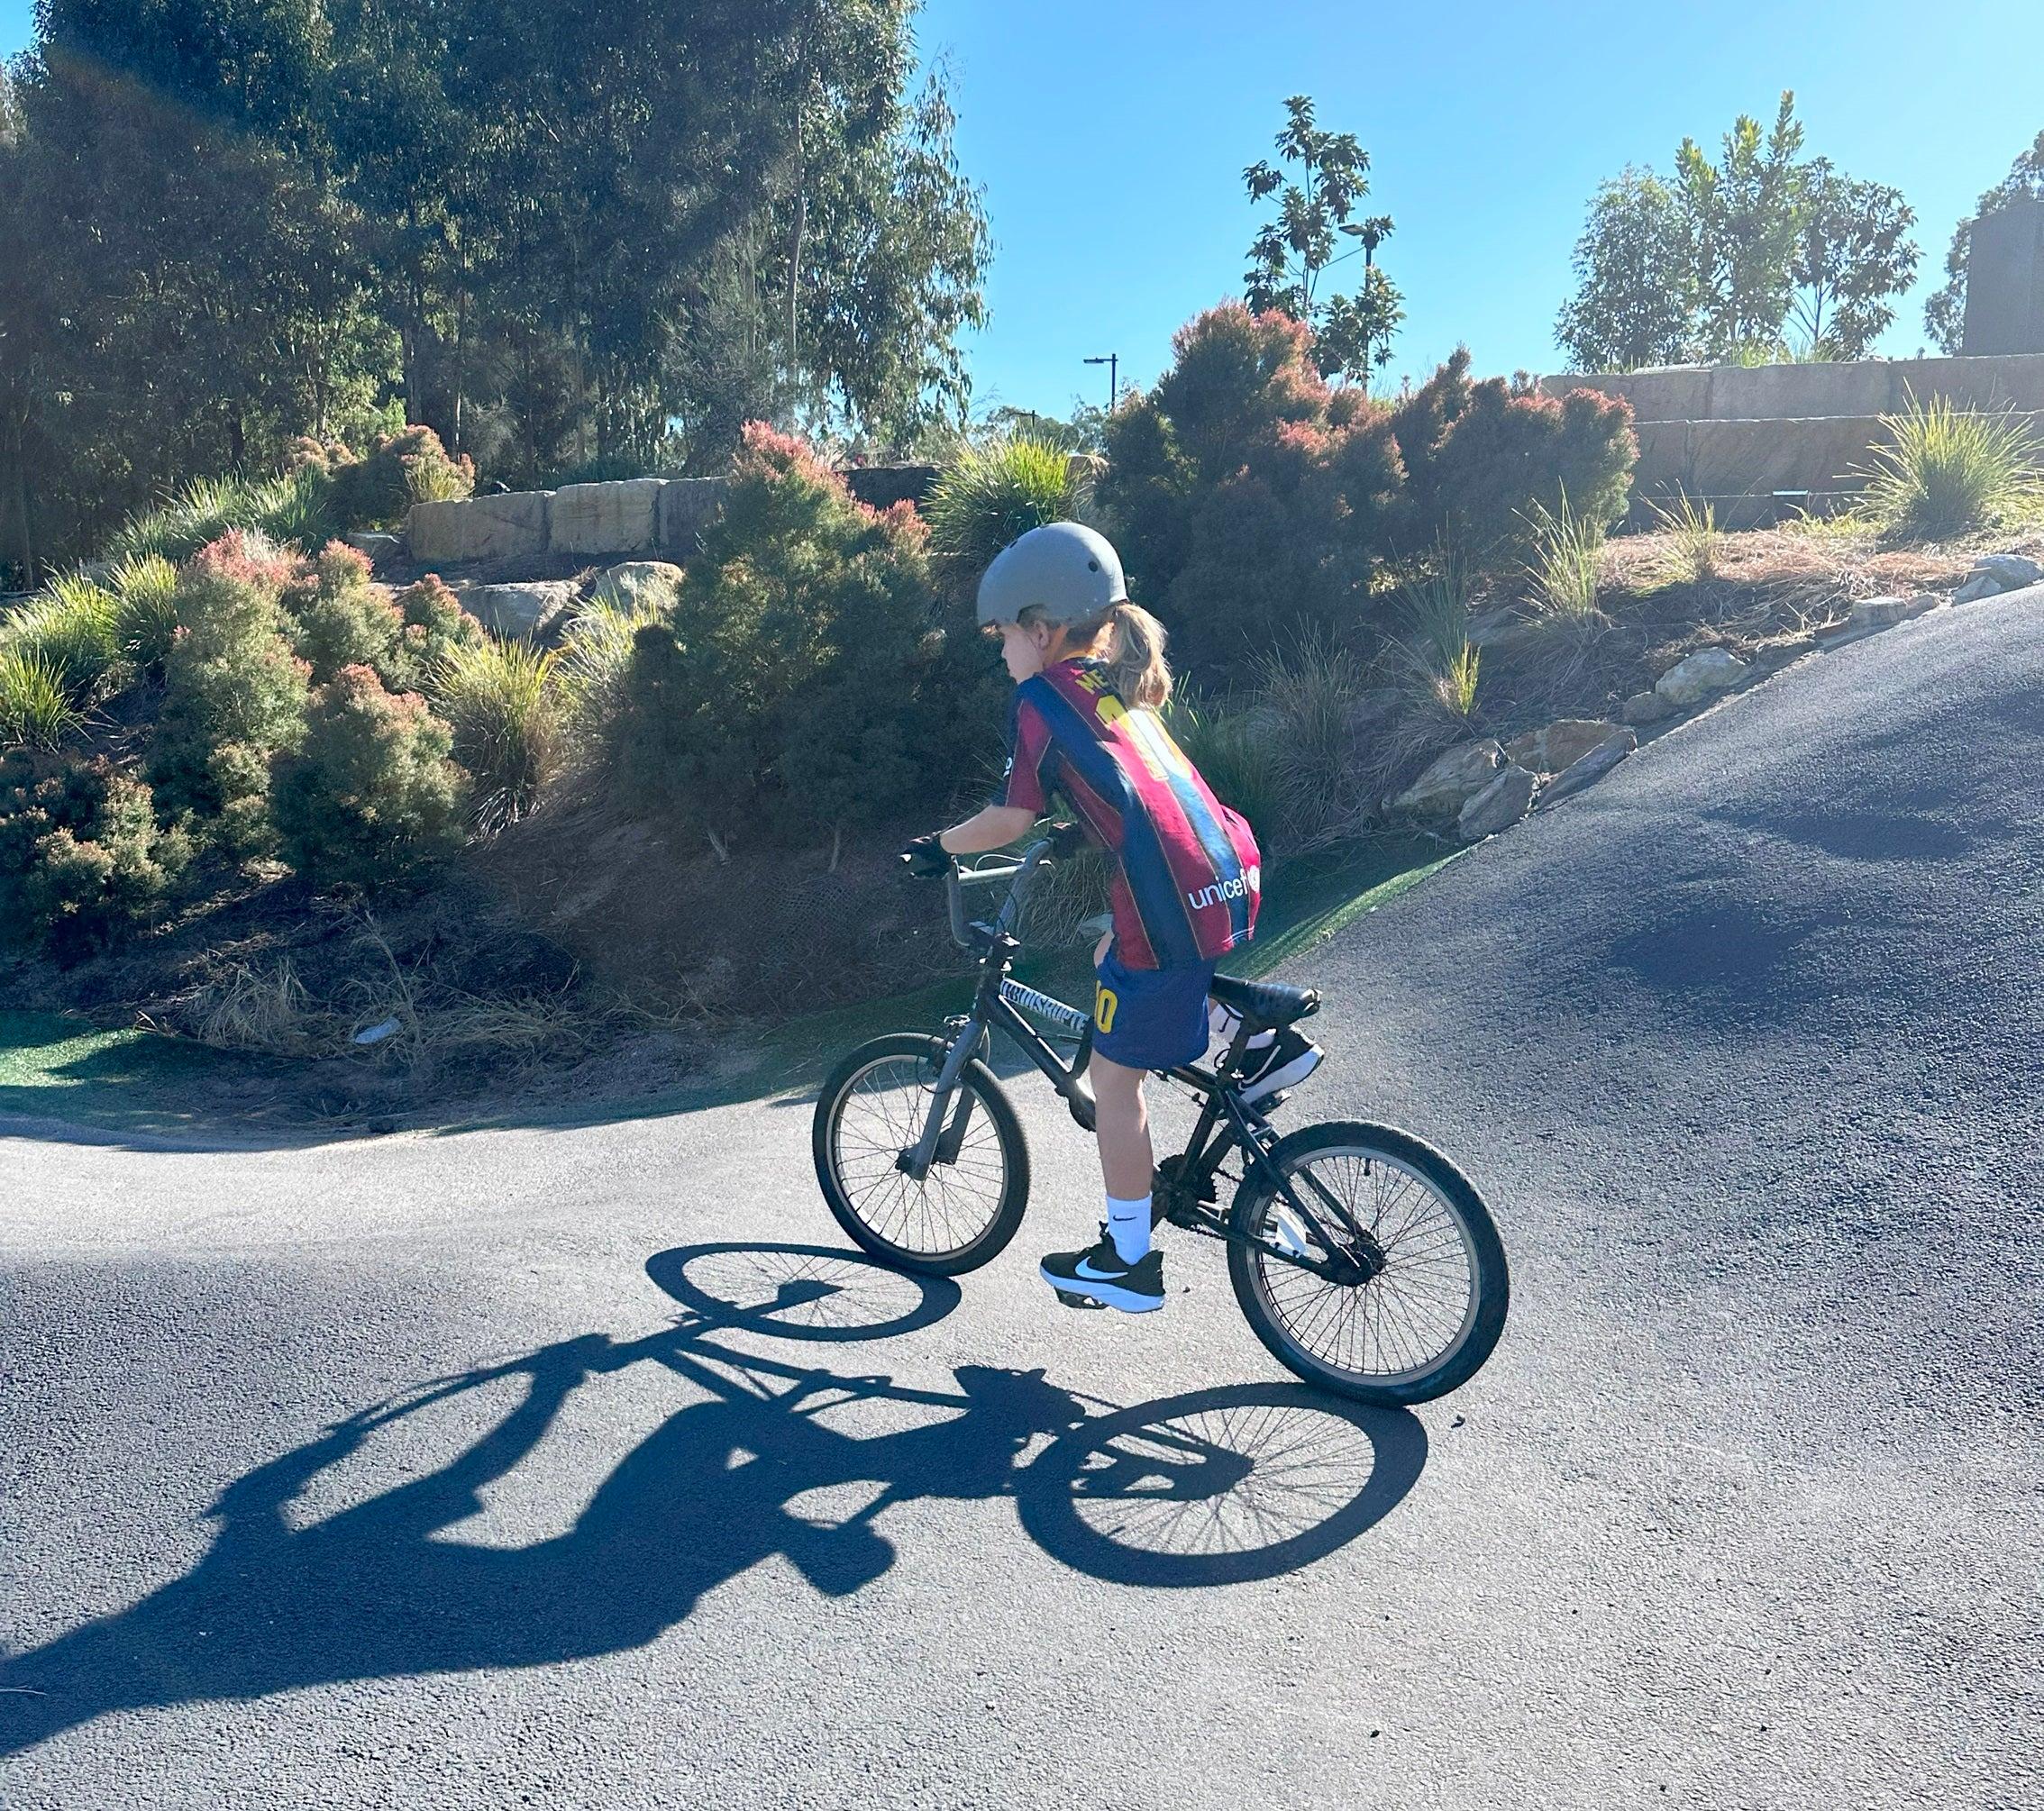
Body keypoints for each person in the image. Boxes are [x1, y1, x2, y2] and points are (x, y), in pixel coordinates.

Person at [902, 523, 1321, 1314]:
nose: (1001, 654)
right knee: (1110, 964)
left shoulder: (1040, 698)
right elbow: (1127, 783)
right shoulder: (1111, 687)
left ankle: (1127, 1259)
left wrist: (939, 846)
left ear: (1041, 629)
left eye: (1002, 637)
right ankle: (1257, 1042)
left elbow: (1008, 817)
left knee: (1112, 1081)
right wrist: (1081, 824)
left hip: (1165, 900)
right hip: (1225, 872)